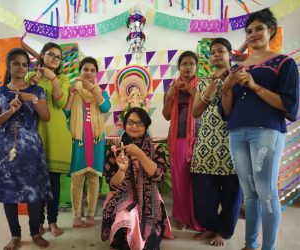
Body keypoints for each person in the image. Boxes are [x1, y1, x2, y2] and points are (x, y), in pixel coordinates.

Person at [221, 9, 299, 250]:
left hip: (266, 132)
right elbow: (227, 110)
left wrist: (254, 86)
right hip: (237, 132)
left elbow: (289, 105)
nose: (253, 34)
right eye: (249, 30)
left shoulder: (283, 62)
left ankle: (269, 247)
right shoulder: (238, 67)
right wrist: (226, 87)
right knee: (250, 192)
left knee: (266, 191)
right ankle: (251, 244)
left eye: (259, 29)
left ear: (271, 31)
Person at [0, 48, 52, 249]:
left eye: (24, 64)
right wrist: (10, 111)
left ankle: (35, 233)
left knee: (34, 193)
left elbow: (46, 117)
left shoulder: (37, 91)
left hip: (31, 150)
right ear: (9, 65)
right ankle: (15, 235)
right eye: (16, 63)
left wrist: (34, 100)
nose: (20, 67)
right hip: (5, 150)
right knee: (8, 192)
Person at [191, 38, 243, 247]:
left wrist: (228, 82)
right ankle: (210, 226)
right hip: (205, 146)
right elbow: (195, 112)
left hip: (231, 145)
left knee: (231, 194)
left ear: (230, 53)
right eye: (212, 52)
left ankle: (224, 231)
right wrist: (213, 84)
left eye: (220, 51)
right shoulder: (203, 81)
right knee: (204, 193)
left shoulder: (240, 78)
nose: (216, 55)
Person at [101, 107, 173, 250]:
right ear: (124, 124)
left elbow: (159, 176)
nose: (134, 126)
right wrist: (121, 170)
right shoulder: (115, 150)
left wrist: (140, 154)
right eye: (130, 122)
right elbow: (113, 185)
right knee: (128, 215)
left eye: (139, 123)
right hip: (122, 195)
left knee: (148, 241)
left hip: (149, 197)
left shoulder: (156, 148)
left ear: (146, 126)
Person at [26, 42, 71, 237]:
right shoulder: (31, 75)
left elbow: (60, 102)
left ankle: (53, 221)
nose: (54, 58)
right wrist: (34, 82)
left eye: (58, 56)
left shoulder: (63, 79)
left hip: (58, 133)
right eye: (50, 54)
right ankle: (38, 223)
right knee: (37, 183)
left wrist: (53, 79)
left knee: (54, 182)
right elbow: (25, 98)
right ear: (42, 55)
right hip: (36, 133)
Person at [64, 56, 111, 228]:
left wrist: (93, 89)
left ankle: (91, 214)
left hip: (97, 142)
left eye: (92, 70)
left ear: (96, 74)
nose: (89, 73)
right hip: (78, 142)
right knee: (77, 180)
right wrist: (70, 97)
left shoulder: (101, 93)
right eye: (86, 69)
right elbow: (65, 115)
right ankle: (76, 215)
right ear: (80, 72)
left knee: (93, 179)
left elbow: (105, 108)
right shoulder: (73, 91)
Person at [162, 51, 202, 231]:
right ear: (179, 67)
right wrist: (170, 94)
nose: (187, 67)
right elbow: (165, 115)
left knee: (197, 180)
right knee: (179, 179)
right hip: (178, 139)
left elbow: (203, 107)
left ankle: (198, 216)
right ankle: (181, 216)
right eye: (184, 64)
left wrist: (190, 88)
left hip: (200, 139)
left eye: (191, 64)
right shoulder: (173, 87)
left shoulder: (202, 85)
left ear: (196, 66)